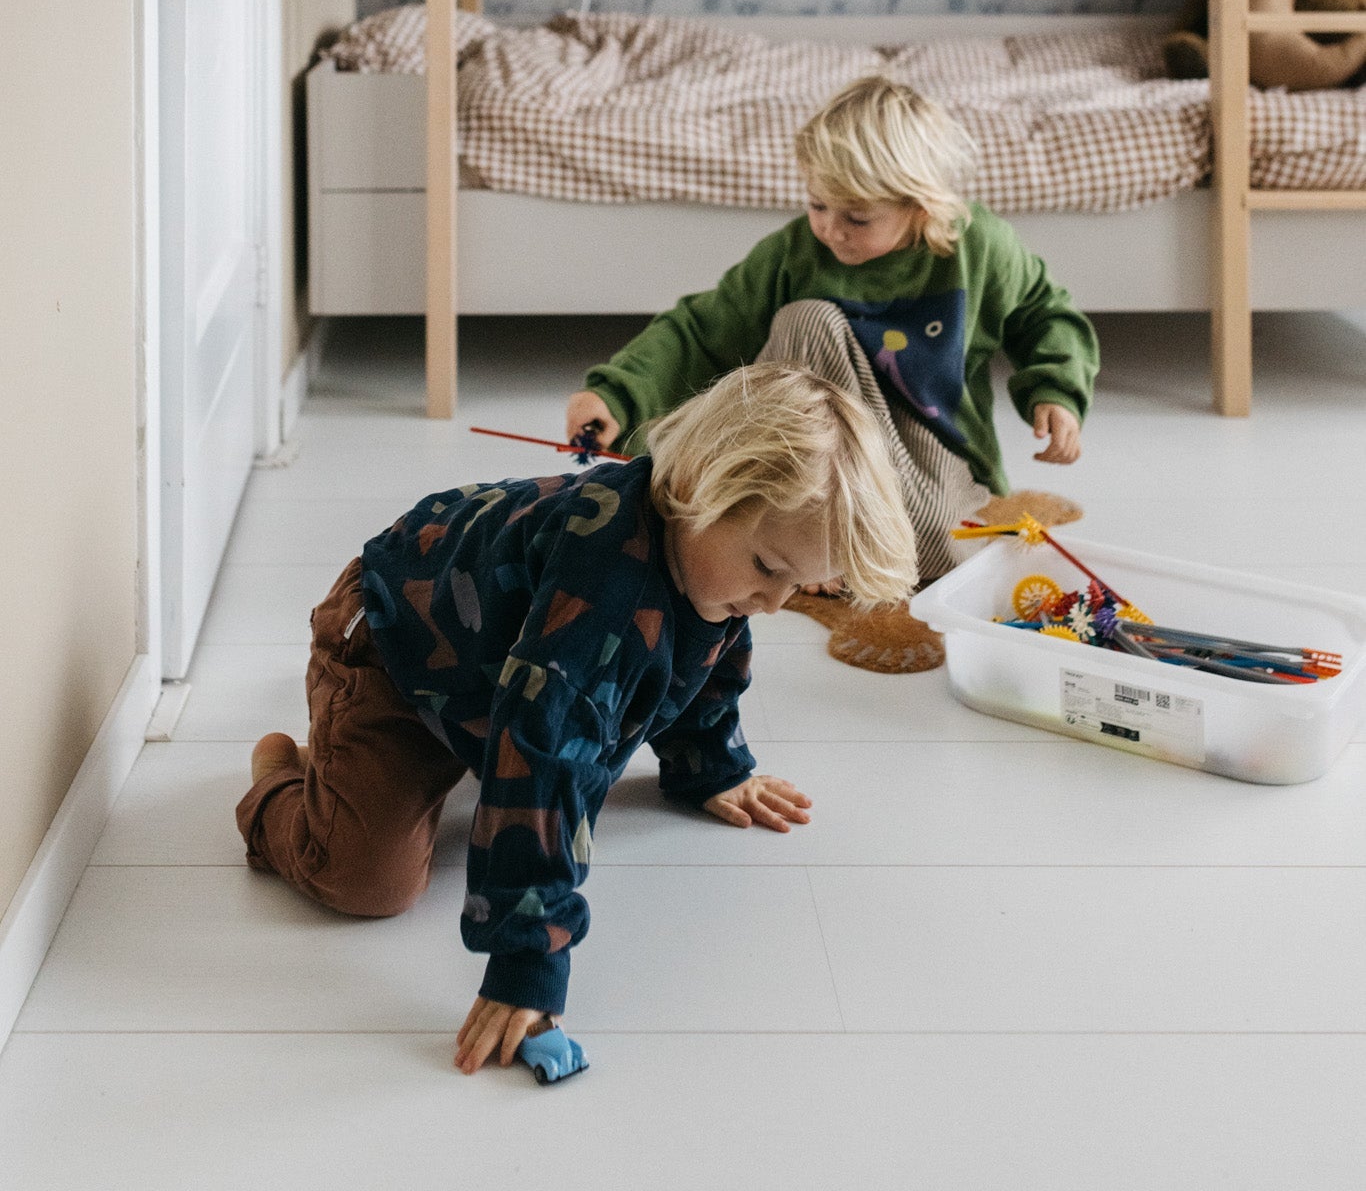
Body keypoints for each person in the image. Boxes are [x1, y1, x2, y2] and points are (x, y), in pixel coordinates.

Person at [236, 362, 914, 1077]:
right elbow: (543, 753)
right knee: (368, 881)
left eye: (799, 584)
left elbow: (706, 667)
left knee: (648, 662)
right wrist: (528, 962)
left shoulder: (714, 574)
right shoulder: (599, 600)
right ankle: (280, 781)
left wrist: (708, 768)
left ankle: (431, 754)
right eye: (768, 568)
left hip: (484, 669)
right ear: (694, 490)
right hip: (390, 647)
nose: (777, 602)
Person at [567, 75, 1099, 621]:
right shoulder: (797, 252)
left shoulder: (981, 247)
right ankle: (817, 543)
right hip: (813, 470)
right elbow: (703, 329)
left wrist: (1056, 389)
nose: (830, 229)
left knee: (942, 549)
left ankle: (842, 547)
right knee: (808, 320)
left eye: (857, 217)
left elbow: (1046, 312)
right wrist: (616, 394)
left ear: (921, 204)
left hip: (921, 459)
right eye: (818, 205)